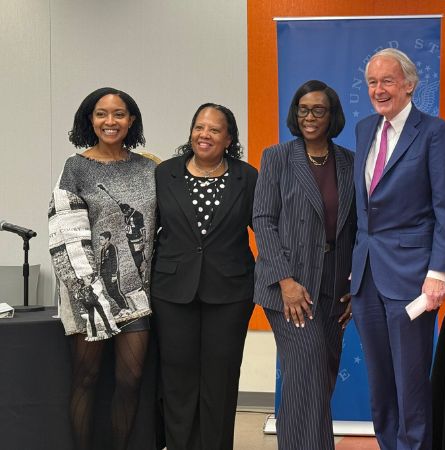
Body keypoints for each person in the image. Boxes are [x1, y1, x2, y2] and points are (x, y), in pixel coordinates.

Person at [351, 48, 445, 450]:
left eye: (388, 81)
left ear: (410, 85)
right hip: (366, 276)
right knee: (380, 383)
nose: (378, 90)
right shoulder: (364, 129)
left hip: (413, 277)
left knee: (410, 384)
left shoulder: (434, 132)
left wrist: (438, 273)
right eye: (372, 82)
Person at [48, 87, 156, 450]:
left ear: (131, 120)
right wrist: (90, 292)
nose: (111, 121)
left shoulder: (149, 167)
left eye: (119, 114)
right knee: (86, 379)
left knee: (131, 380)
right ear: (90, 120)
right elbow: (65, 232)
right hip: (88, 293)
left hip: (135, 293)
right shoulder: (75, 167)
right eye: (101, 114)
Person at [253, 80, 356, 450]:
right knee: (307, 366)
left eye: (318, 110)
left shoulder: (349, 161)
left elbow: (359, 229)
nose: (310, 117)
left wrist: (356, 286)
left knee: (319, 375)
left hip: (334, 287)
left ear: (332, 116)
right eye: (303, 110)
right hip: (289, 286)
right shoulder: (277, 157)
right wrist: (285, 281)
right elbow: (263, 220)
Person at [151, 103, 258, 450]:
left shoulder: (247, 177)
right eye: (199, 127)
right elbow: (148, 229)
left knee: (221, 378)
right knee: (177, 378)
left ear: (229, 138)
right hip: (172, 291)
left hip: (230, 292)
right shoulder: (164, 173)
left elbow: (266, 228)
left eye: (214, 129)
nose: (204, 135)